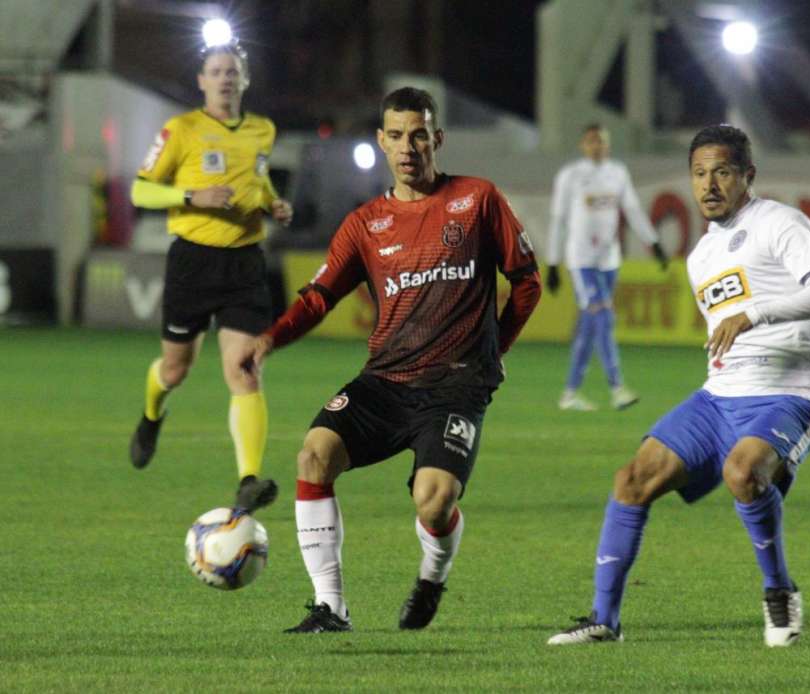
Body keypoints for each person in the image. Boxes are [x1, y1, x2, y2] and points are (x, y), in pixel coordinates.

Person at [239, 87, 541, 633]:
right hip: (386, 380)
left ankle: (433, 574)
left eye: (419, 135)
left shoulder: (477, 199)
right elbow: (318, 298)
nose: (408, 147)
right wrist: (269, 340)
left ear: (437, 139)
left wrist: (494, 350)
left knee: (433, 500)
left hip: (455, 385)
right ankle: (330, 607)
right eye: (397, 136)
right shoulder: (365, 224)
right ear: (381, 141)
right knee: (314, 456)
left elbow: (527, 283)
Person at [548, 124, 810, 648]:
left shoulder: (781, 222)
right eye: (699, 173)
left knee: (742, 473)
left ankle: (779, 592)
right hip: (719, 396)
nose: (709, 185)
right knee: (631, 480)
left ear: (747, 175)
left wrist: (754, 314)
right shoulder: (701, 257)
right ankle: (604, 620)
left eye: (722, 172)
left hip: (789, 391)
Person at [128, 37, 292, 514]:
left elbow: (257, 178)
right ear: (201, 81)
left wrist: (271, 202)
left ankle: (248, 479)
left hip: (245, 263)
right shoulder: (180, 130)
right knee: (175, 369)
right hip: (194, 262)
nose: (225, 79)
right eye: (216, 71)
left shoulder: (263, 129)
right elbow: (141, 190)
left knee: (245, 369)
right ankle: (151, 414)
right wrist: (190, 197)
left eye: (232, 71)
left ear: (245, 79)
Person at [546, 124, 669, 412]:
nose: (597, 146)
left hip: (609, 259)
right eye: (591, 141)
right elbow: (558, 219)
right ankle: (617, 388)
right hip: (581, 259)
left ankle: (570, 393)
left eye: (601, 141)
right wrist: (552, 262)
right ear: (582, 145)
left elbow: (633, 210)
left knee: (589, 327)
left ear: (608, 144)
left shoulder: (618, 173)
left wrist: (653, 242)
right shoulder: (570, 175)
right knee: (604, 316)